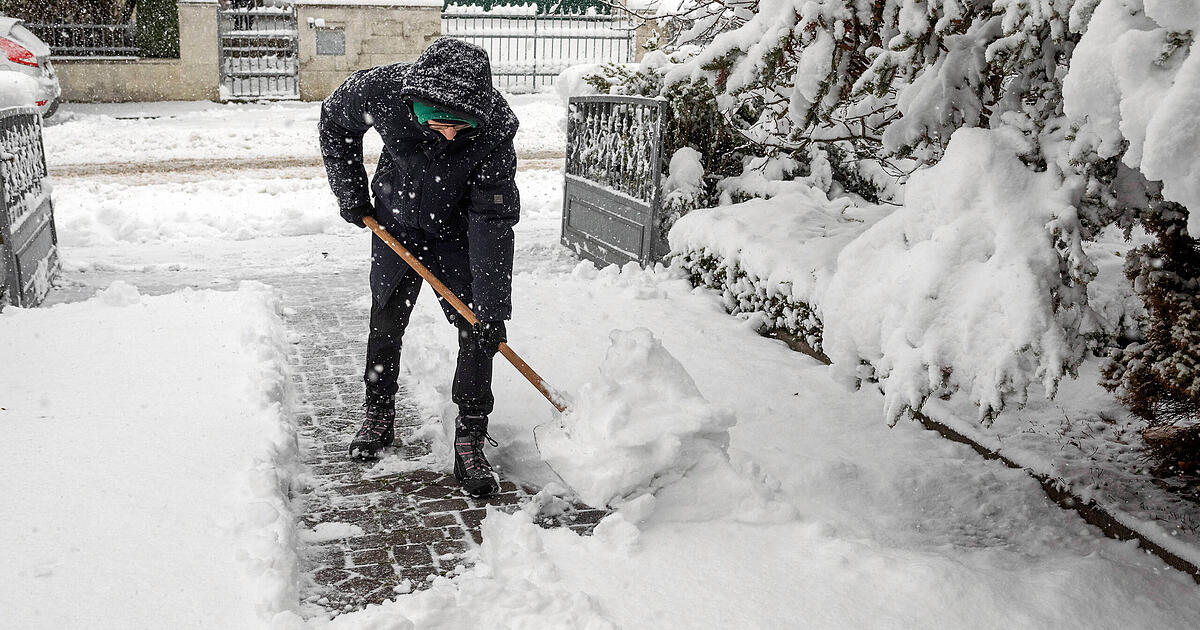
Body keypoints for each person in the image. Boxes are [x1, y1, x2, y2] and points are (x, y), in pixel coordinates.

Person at [318, 38, 520, 497]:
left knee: (478, 330)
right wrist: (350, 191)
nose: (450, 134)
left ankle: (470, 432)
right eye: (439, 122)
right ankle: (378, 409)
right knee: (386, 320)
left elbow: (493, 220)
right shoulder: (384, 91)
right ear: (416, 103)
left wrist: (492, 309)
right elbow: (334, 119)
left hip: (457, 233)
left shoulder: (493, 131)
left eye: (461, 125)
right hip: (394, 221)